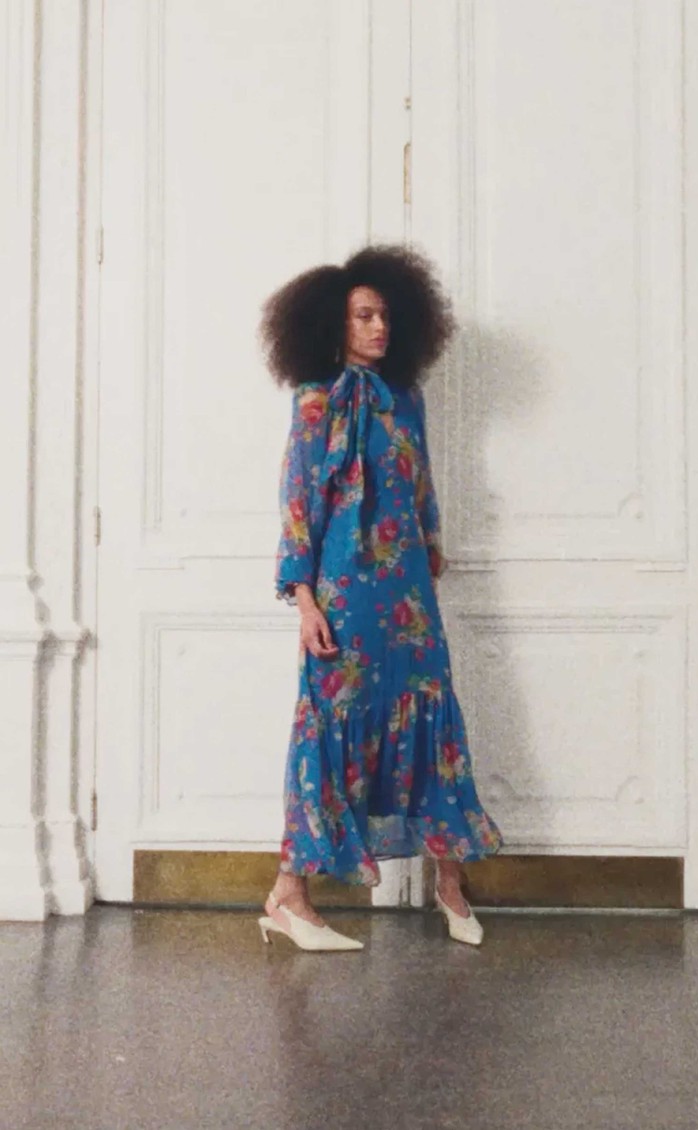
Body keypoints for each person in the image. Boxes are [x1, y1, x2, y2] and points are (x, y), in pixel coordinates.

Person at [257, 244, 504, 951]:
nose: (378, 327)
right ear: (333, 324)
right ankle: (289, 896)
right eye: (364, 315)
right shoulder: (315, 401)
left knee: (431, 721)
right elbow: (298, 500)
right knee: (332, 728)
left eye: (385, 315)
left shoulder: (405, 399)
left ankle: (450, 884)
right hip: (343, 591)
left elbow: (421, 483)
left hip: (407, 589)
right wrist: (305, 601)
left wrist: (432, 541)